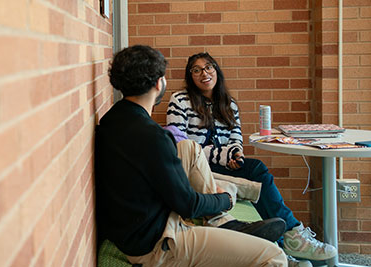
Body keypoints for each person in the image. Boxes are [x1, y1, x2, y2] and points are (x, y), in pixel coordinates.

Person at [95, 45, 289, 267]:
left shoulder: (112, 120)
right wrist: (223, 200)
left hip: (136, 227)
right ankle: (227, 211)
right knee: (273, 255)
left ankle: (223, 223)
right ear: (159, 83)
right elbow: (187, 204)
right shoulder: (153, 137)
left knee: (188, 147)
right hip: (158, 243)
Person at [167, 52, 338, 265]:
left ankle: (287, 240)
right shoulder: (180, 100)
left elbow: (236, 140)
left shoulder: (228, 103)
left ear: (216, 70)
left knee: (256, 169)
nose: (204, 73)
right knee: (258, 171)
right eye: (196, 70)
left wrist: (236, 155)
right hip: (196, 167)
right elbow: (181, 147)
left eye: (209, 67)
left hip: (223, 164)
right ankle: (292, 233)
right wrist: (225, 155)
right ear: (190, 76)